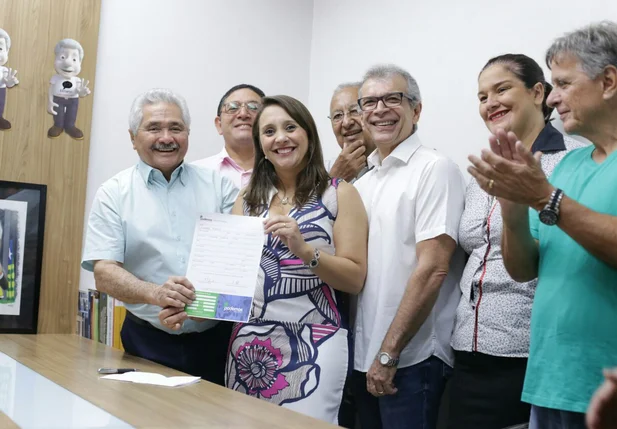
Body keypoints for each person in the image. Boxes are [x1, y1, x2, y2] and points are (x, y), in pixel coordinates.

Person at [468, 21, 617, 429]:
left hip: (606, 388)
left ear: (608, 81)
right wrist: (512, 206)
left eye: (564, 84)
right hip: (550, 380)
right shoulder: (567, 165)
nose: (553, 98)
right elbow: (523, 269)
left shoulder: (553, 183)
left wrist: (544, 198)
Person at [447, 54, 586, 429]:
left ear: (538, 92)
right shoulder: (484, 166)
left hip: (530, 353)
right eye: (481, 96)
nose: (489, 102)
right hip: (467, 349)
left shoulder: (575, 160)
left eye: (501, 89)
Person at [208, 94, 366, 424]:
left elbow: (354, 279)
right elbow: (231, 281)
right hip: (248, 342)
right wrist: (197, 298)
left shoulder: (339, 194)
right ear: (260, 144)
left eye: (290, 127)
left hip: (316, 340)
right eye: (268, 131)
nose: (280, 138)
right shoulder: (248, 198)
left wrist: (305, 251)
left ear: (308, 133)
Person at [81, 88, 238, 384]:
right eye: (154, 128)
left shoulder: (221, 188)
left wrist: (201, 309)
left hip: (218, 340)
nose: (166, 137)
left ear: (188, 133)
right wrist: (157, 296)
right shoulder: (113, 194)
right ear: (132, 137)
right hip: (146, 341)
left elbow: (238, 264)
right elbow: (104, 272)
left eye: (176, 128)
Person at [352, 64, 466, 429]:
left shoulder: (435, 169)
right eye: (369, 102)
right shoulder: (365, 180)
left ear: (416, 110)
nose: (379, 109)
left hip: (410, 358)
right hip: (364, 356)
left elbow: (433, 268)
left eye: (392, 99)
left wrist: (389, 353)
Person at [193, 84, 265, 189]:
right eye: (233, 107)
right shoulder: (195, 173)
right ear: (219, 125)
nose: (243, 114)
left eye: (253, 107)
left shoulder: (285, 172)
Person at [326, 82, 376, 183]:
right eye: (337, 116)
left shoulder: (391, 166)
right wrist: (335, 179)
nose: (346, 122)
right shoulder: (324, 170)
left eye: (355, 111)